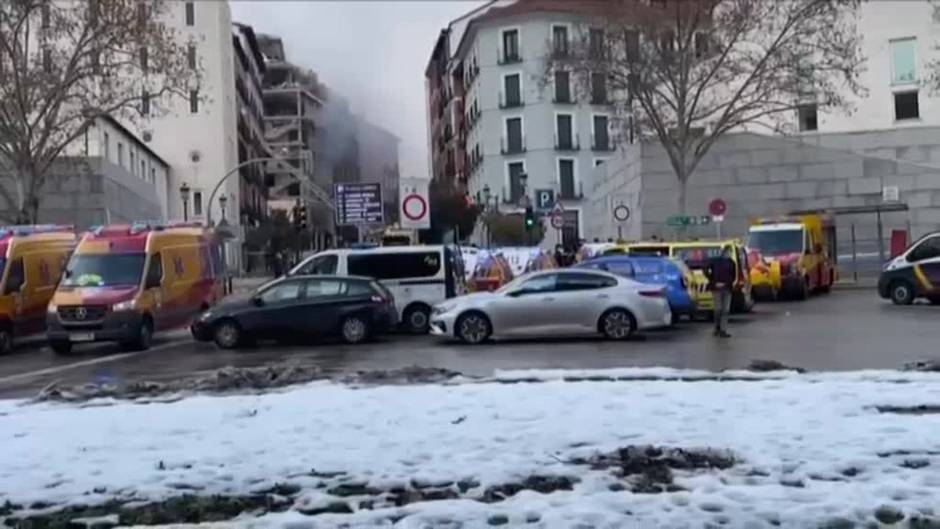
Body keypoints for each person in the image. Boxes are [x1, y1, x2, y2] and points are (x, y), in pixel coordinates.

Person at [705, 245, 736, 338]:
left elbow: (733, 276)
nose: (729, 254)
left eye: (730, 252)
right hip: (716, 289)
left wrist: (726, 283)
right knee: (718, 309)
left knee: (725, 310)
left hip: (727, 288)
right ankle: (717, 327)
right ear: (724, 252)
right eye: (728, 251)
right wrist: (713, 281)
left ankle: (723, 330)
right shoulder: (716, 261)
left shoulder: (732, 263)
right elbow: (706, 270)